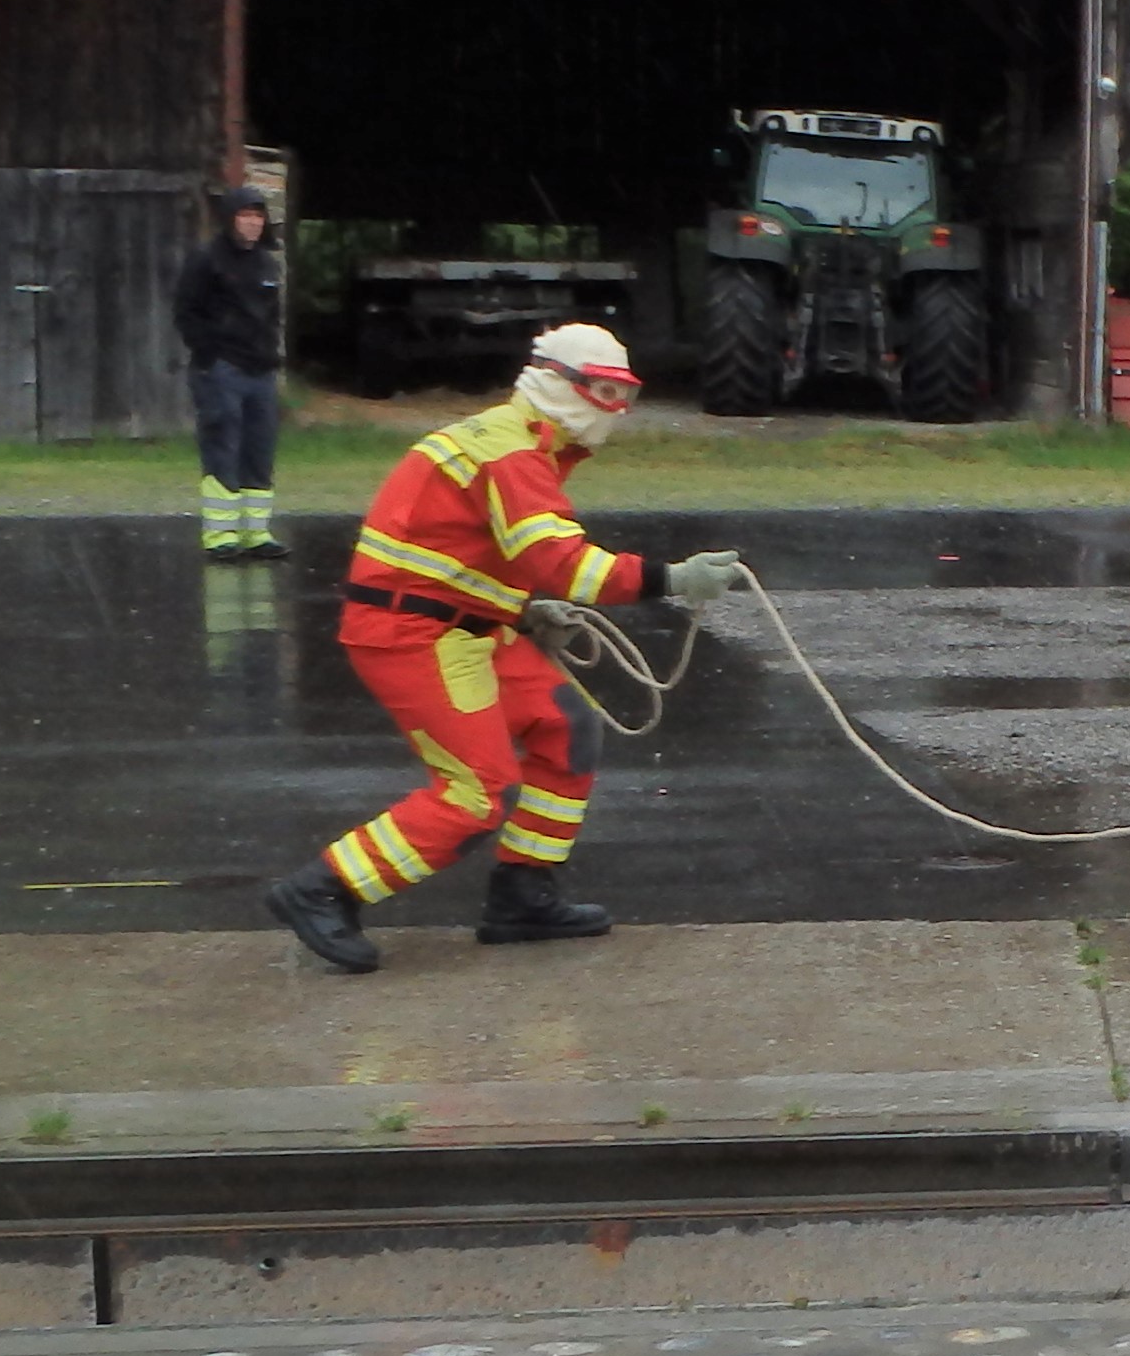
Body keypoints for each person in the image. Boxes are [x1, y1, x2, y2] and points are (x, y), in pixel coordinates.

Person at [266, 323, 729, 972]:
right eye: (603, 391)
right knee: (477, 792)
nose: (615, 411)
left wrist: (519, 608)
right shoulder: (513, 454)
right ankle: (324, 888)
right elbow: (562, 562)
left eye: (623, 394)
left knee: (565, 729)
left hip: (464, 624)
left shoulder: (515, 442)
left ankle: (523, 894)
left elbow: (468, 547)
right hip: (415, 635)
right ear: (559, 383)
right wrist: (673, 579)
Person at [172, 181, 286, 562]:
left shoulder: (267, 263)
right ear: (230, 219)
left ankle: (256, 533)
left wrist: (271, 357)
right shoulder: (207, 259)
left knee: (260, 448)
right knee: (223, 444)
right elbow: (186, 312)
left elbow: (272, 317)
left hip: (261, 371)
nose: (253, 223)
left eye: (258, 215)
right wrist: (209, 354)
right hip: (222, 369)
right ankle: (220, 535)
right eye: (245, 215)